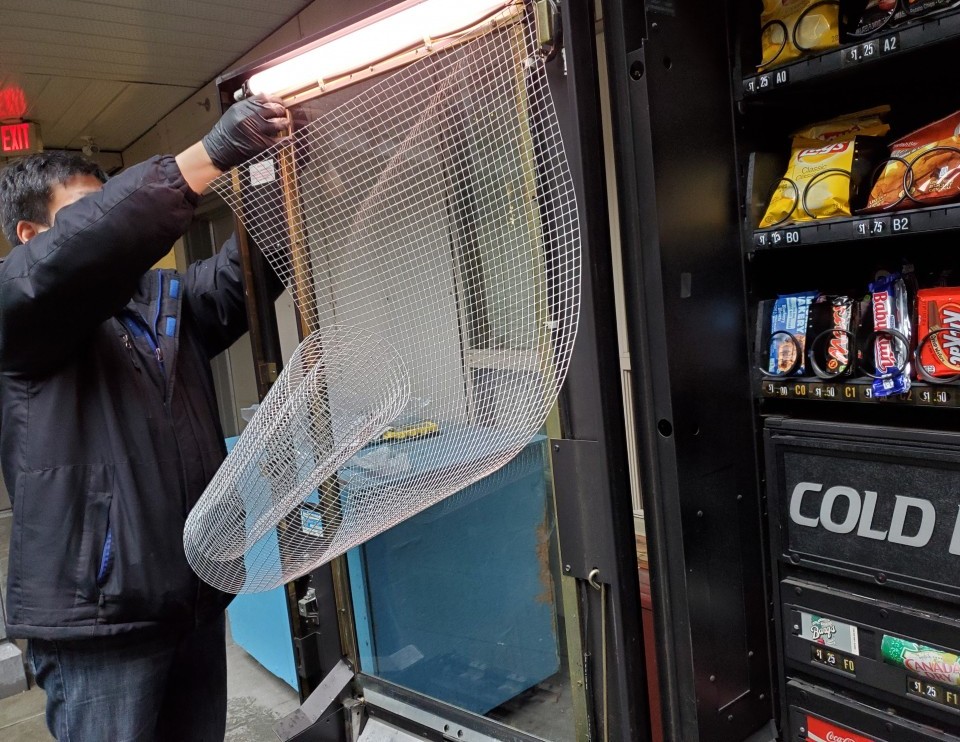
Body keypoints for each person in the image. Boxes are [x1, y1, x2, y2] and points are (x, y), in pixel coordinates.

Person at [0, 94, 288, 741]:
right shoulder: (18, 306)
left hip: (191, 599)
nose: (110, 221)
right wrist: (204, 158)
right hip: (101, 620)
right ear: (31, 237)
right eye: (89, 210)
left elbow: (248, 272)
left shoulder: (164, 300)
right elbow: (81, 252)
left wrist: (275, 170)